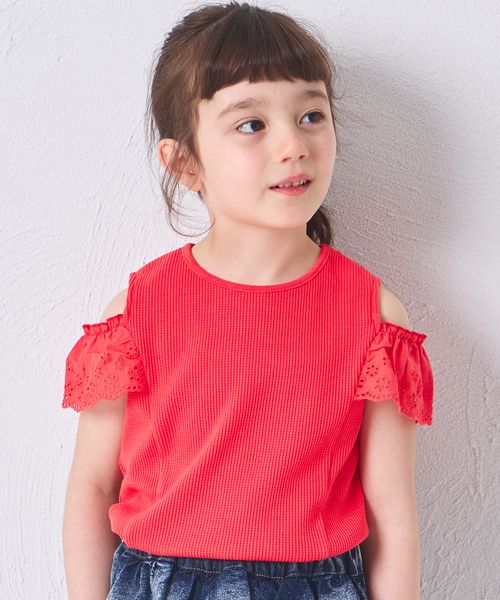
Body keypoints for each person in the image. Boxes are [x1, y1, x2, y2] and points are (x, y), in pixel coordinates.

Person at [61, 2, 434, 599]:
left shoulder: (376, 319)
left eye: (311, 115)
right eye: (251, 124)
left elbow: (391, 512)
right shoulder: (135, 314)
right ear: (185, 163)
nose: (293, 145)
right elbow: (91, 489)